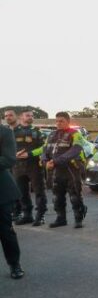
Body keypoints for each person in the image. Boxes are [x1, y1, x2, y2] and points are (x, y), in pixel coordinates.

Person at [42, 112, 88, 229]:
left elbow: (76, 149)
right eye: (57, 121)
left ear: (68, 121)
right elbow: (45, 151)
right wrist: (46, 162)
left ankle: (78, 219)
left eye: (61, 121)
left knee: (75, 196)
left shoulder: (75, 134)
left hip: (71, 170)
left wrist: (56, 161)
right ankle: (61, 219)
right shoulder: (51, 135)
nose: (58, 123)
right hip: (56, 171)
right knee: (57, 197)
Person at [12, 109, 47, 226]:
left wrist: (30, 154)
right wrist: (14, 154)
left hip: (34, 165)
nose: (31, 117)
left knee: (39, 191)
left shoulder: (38, 132)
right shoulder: (13, 132)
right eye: (28, 115)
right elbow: (6, 147)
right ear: (21, 117)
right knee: (21, 192)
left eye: (32, 116)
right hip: (18, 166)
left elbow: (44, 147)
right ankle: (27, 215)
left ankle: (40, 216)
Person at [0, 124, 24, 279]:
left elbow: (9, 159)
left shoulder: (5, 132)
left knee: (5, 230)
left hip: (1, 190)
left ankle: (14, 263)